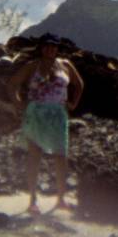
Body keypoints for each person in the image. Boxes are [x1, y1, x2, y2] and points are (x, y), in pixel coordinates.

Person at [7, 32, 85, 215]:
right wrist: (19, 104)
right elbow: (12, 85)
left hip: (58, 114)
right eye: (46, 45)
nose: (50, 49)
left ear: (57, 48)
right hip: (36, 114)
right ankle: (32, 199)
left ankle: (61, 199)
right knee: (35, 155)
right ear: (41, 48)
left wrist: (73, 103)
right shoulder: (32, 66)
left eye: (53, 46)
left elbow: (79, 84)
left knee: (61, 156)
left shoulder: (65, 65)